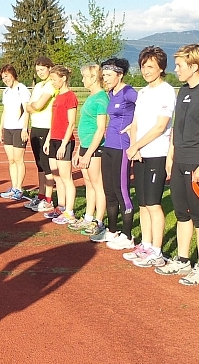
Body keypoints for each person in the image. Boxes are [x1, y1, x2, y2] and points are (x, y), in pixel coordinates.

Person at [156, 44, 199, 286]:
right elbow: (176, 129)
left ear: (194, 66)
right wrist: (171, 156)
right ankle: (183, 259)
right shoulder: (182, 91)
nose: (176, 69)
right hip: (179, 159)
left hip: (197, 163)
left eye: (180, 65)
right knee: (182, 214)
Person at [121, 46, 176, 268]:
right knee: (143, 203)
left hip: (157, 154)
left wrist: (137, 146)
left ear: (161, 68)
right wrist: (135, 148)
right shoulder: (142, 93)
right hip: (141, 154)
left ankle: (157, 250)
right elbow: (135, 123)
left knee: (153, 203)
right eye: (143, 66)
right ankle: (145, 244)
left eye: (151, 66)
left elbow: (160, 126)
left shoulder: (166, 91)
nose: (146, 70)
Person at [94, 58, 136, 250]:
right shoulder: (111, 93)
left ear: (120, 75)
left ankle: (127, 235)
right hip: (109, 146)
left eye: (109, 76)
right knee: (109, 190)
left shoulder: (129, 92)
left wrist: (134, 127)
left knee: (122, 191)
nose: (106, 79)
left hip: (122, 148)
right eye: (104, 76)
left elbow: (145, 110)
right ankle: (112, 231)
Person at [68, 64, 109, 236]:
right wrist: (79, 150)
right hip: (86, 146)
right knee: (89, 184)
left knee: (97, 184)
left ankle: (99, 221)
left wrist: (90, 153)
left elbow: (100, 129)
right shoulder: (92, 97)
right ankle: (88, 217)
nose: (83, 79)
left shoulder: (101, 98)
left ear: (93, 78)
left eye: (85, 76)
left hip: (95, 148)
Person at [44, 65, 78, 225]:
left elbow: (71, 123)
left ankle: (69, 212)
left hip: (64, 141)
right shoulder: (57, 97)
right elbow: (54, 122)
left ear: (63, 78)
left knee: (66, 178)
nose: (52, 82)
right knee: (56, 175)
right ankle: (61, 206)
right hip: (54, 140)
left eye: (54, 79)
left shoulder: (70, 97)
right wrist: (48, 140)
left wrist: (64, 145)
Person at [24, 56, 56, 213]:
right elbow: (30, 106)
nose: (40, 72)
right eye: (37, 70)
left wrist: (32, 107)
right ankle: (41, 195)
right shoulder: (38, 86)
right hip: (35, 127)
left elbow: (37, 105)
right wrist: (31, 107)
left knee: (47, 165)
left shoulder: (51, 85)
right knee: (39, 165)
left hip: (46, 128)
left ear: (50, 68)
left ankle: (49, 199)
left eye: (42, 69)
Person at [0, 64, 30, 200]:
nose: (5, 79)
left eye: (7, 76)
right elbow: (5, 112)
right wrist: (0, 130)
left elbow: (27, 110)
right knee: (11, 160)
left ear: (13, 74)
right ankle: (14, 186)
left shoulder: (21, 89)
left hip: (18, 129)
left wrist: (24, 128)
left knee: (18, 159)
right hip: (8, 129)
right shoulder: (6, 92)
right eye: (3, 77)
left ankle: (19, 188)